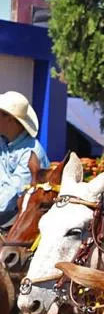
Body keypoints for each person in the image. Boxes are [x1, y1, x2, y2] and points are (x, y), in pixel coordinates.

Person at [0, 91, 49, 226]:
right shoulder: (2, 143)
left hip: (20, 220)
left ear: (10, 118)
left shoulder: (31, 153)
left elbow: (11, 196)